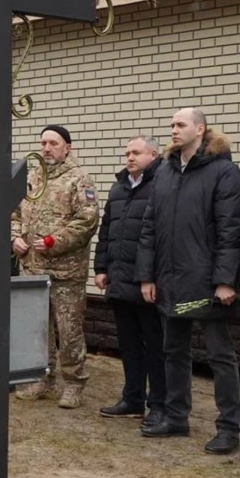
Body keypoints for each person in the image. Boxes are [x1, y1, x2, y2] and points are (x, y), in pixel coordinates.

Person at [136, 108, 240, 455]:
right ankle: (176, 416)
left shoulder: (223, 171)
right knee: (174, 351)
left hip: (208, 283)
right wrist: (147, 275)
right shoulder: (166, 173)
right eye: (171, 124)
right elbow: (150, 228)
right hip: (170, 280)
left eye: (180, 124)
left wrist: (226, 280)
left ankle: (229, 428)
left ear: (200, 129)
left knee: (219, 355)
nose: (173, 130)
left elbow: (232, 230)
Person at [12, 124, 99, 409]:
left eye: (54, 143)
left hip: (65, 273)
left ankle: (74, 383)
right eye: (44, 143)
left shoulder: (79, 179)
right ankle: (41, 378)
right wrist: (15, 238)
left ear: (67, 148)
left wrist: (53, 241)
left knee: (68, 329)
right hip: (32, 269)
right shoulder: (32, 178)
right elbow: (14, 212)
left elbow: (87, 221)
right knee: (38, 329)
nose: (47, 148)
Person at [94, 136, 166, 426]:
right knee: (129, 343)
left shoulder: (162, 185)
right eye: (127, 153)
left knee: (155, 345)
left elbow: (162, 236)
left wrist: (153, 277)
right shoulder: (119, 187)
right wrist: (101, 268)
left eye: (136, 152)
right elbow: (106, 231)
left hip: (148, 282)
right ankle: (132, 398)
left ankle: (159, 403)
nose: (130, 157)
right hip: (120, 280)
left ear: (153, 154)